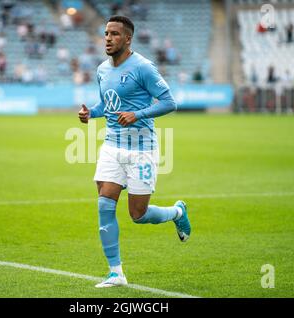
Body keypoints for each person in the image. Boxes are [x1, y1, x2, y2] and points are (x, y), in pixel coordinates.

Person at [77, 15, 192, 288]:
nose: (108, 38)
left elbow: (169, 102)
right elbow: (109, 103)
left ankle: (177, 213)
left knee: (138, 215)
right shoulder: (102, 70)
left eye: (114, 34)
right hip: (112, 146)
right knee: (105, 203)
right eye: (106, 33)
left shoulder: (143, 67)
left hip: (142, 149)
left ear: (127, 38)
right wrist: (90, 113)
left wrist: (137, 113)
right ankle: (116, 272)